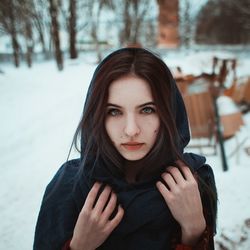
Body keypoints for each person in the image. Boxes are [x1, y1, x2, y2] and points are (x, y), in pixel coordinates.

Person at [33, 48, 217, 250]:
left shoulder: (190, 181)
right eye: (114, 111)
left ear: (169, 112)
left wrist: (193, 231)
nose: (131, 130)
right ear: (96, 117)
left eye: (148, 109)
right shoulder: (69, 186)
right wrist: (78, 247)